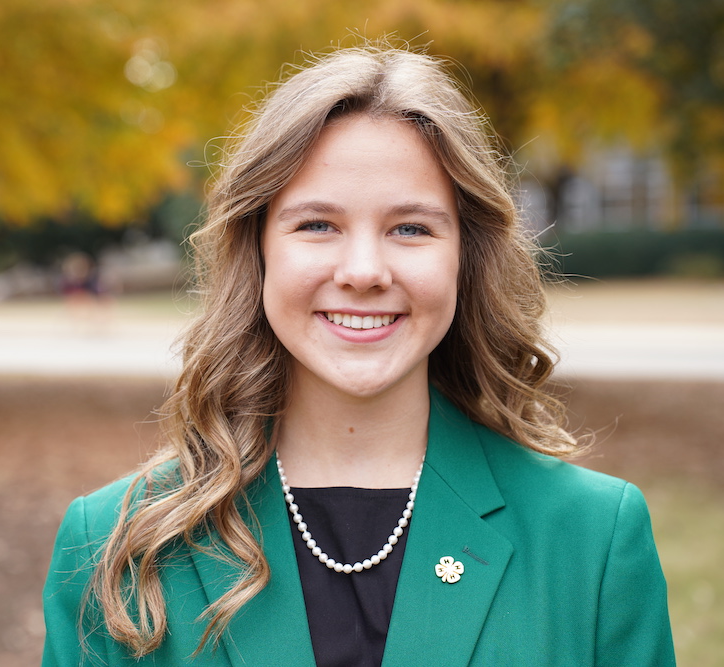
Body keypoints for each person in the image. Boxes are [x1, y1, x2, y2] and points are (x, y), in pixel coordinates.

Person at [42, 45, 675, 666]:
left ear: (465, 258)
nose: (365, 271)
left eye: (411, 228)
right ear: (258, 251)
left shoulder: (592, 540)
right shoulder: (116, 547)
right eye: (317, 224)